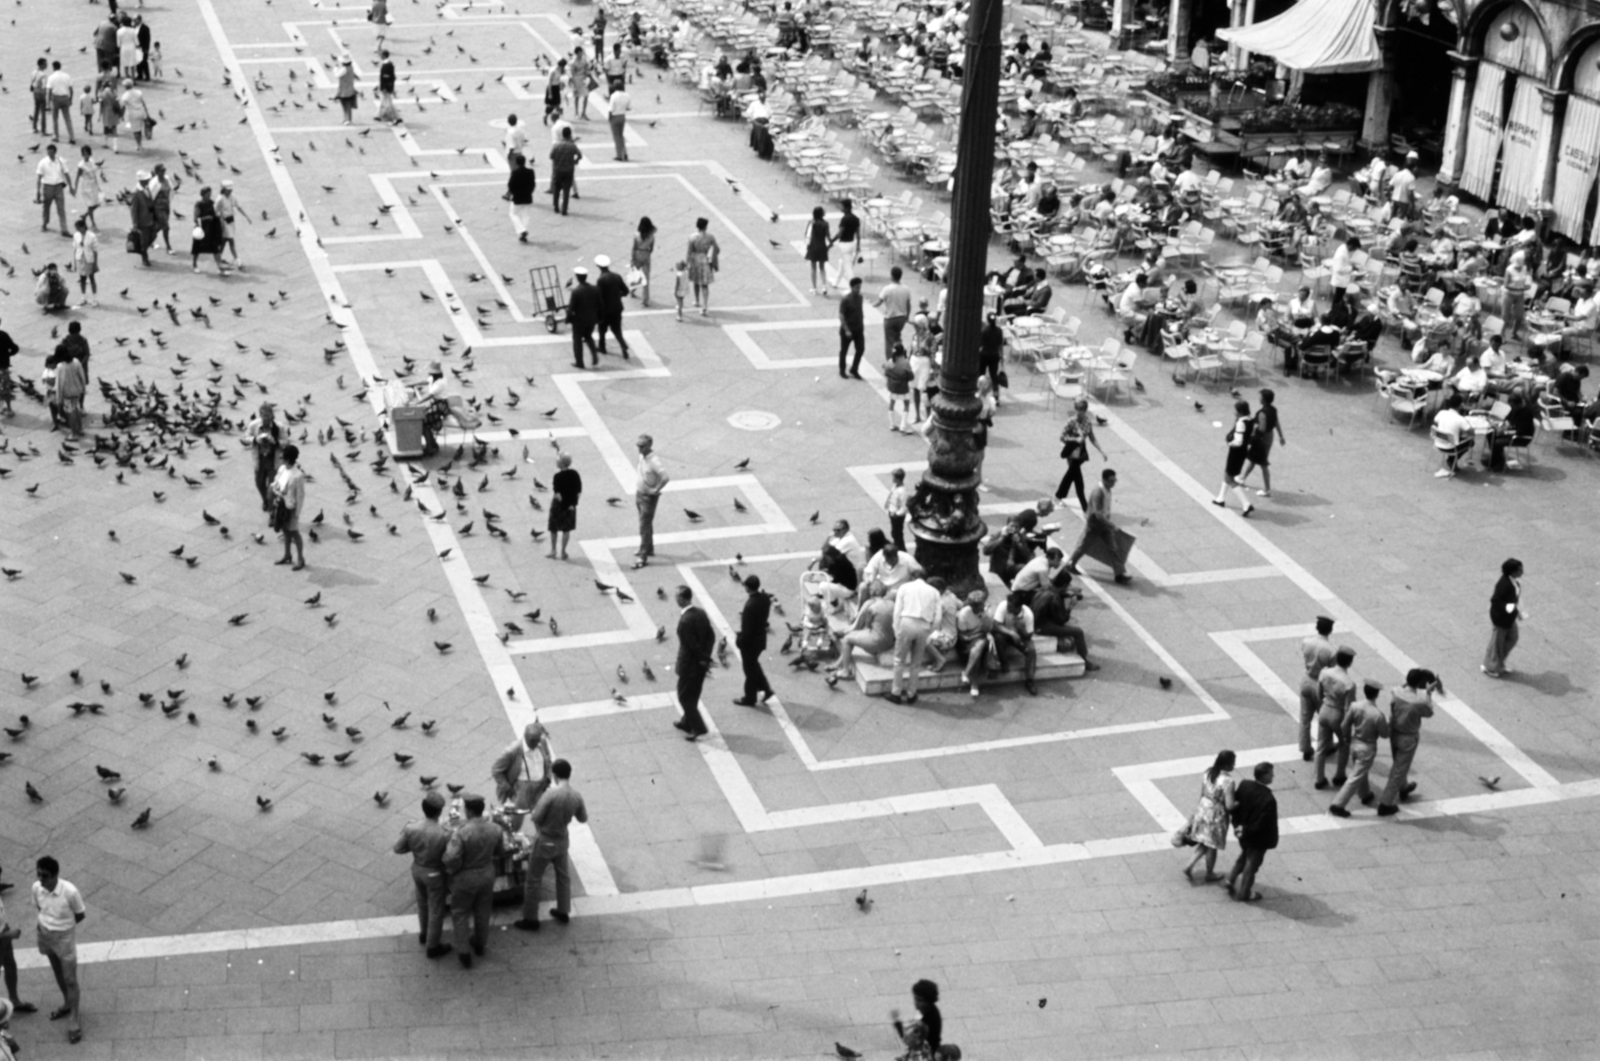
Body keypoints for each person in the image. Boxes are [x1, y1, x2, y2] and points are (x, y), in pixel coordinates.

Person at [514, 759, 588, 931]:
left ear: (554, 775)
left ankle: (531, 918)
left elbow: (536, 817)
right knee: (563, 877)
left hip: (545, 841)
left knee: (533, 879)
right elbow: (583, 818)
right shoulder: (576, 796)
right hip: (562, 841)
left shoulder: (550, 795)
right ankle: (563, 910)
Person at [441, 795, 503, 968]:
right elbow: (500, 851)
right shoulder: (495, 828)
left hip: (465, 878)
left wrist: (454, 868)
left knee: (460, 912)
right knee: (483, 911)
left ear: (468, 811)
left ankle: (463, 952)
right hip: (487, 875)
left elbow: (450, 857)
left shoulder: (462, 832)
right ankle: (480, 944)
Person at [393, 792, 453, 959]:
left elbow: (398, 848)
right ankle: (433, 945)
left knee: (422, 903)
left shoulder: (411, 827)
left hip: (417, 869)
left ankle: (424, 933)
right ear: (439, 812)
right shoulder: (443, 832)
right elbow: (449, 856)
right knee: (436, 909)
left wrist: (414, 849)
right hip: (434, 873)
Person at [1377, 668, 1438, 815]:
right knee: (1399, 770)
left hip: (1394, 733)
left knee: (1398, 763)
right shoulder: (1419, 702)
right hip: (1408, 738)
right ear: (1419, 683)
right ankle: (1385, 803)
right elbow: (1429, 712)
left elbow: (1401, 687)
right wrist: (1428, 692)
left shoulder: (1397, 691)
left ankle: (1403, 788)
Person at [1329, 681, 1390, 816]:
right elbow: (1385, 734)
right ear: (1377, 694)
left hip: (1354, 743)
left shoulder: (1355, 706)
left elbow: (1345, 725)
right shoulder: (1378, 714)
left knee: (1361, 771)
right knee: (1356, 776)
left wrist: (1344, 739)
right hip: (1367, 747)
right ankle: (1338, 804)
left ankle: (1365, 794)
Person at [1065, 468, 1131, 584]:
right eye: (1111, 481)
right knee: (1083, 546)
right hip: (1095, 526)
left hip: (1104, 526)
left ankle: (1119, 574)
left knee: (1113, 548)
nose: (1113, 483)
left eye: (1114, 480)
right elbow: (1098, 514)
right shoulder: (1098, 493)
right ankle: (1071, 564)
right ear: (1104, 480)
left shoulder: (1107, 490)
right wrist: (1112, 525)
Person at [1181, 750, 1236, 882]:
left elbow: (1202, 793)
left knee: (1205, 842)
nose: (1234, 765)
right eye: (1233, 763)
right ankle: (1209, 873)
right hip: (1216, 815)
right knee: (1211, 845)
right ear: (1228, 765)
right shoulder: (1228, 781)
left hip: (1203, 809)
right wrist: (1238, 803)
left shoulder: (1208, 773)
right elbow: (1229, 805)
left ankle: (1189, 865)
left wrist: (1195, 813)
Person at [1225, 763, 1277, 901]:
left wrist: (1238, 827)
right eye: (1271, 773)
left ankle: (1230, 880)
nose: (1273, 775)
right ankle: (1244, 893)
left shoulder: (1244, 785)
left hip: (1242, 834)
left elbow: (1235, 806)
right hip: (1257, 838)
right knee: (1251, 865)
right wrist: (1246, 830)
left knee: (1244, 856)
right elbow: (1262, 824)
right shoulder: (1268, 799)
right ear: (1264, 776)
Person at [828, 581, 895, 685]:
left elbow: (867, 625)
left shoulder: (871, 607)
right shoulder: (892, 604)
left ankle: (845, 671)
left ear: (872, 592)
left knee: (847, 640)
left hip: (876, 642)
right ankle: (838, 664)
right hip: (889, 642)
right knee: (852, 636)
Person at [889, 573, 941, 704]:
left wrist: (896, 630)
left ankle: (896, 692)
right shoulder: (934, 592)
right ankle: (911, 693)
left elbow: (897, 612)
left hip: (906, 623)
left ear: (912, 577)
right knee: (916, 663)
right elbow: (938, 618)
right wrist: (929, 631)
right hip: (924, 625)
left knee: (898, 660)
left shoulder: (904, 587)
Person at [490, 721, 552, 832]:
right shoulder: (512, 750)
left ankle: (542, 842)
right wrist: (507, 788)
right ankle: (509, 842)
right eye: (533, 741)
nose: (536, 743)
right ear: (525, 737)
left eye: (538, 740)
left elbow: (548, 760)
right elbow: (496, 770)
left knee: (543, 818)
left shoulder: (541, 742)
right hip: (521, 789)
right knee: (515, 822)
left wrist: (548, 778)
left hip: (540, 787)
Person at [673, 586, 715, 740]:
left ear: (681, 599)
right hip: (700, 664)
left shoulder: (685, 621)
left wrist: (702, 658)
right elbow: (711, 636)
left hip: (689, 665)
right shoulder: (701, 613)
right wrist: (706, 656)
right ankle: (686, 722)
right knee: (694, 693)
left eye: (676, 597)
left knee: (684, 696)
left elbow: (692, 646)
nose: (675, 599)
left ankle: (698, 727)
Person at [1314, 646, 1357, 790]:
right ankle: (1339, 775)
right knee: (1344, 744)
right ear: (1349, 663)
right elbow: (1348, 707)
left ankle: (1319, 778)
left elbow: (1319, 694)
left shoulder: (1324, 672)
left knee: (1321, 747)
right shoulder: (1349, 683)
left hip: (1324, 709)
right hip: (1338, 714)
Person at [1054, 397, 1105, 511]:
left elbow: (1091, 436)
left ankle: (1058, 496)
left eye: (1081, 409)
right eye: (1077, 409)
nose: (1078, 412)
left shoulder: (1087, 421)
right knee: (1078, 480)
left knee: (1070, 475)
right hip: (1071, 453)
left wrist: (1101, 450)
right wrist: (1074, 439)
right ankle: (1085, 507)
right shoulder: (1071, 421)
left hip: (1081, 453)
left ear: (1085, 410)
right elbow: (1062, 437)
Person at [1297, 616, 1336, 761]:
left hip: (1307, 679)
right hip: (1320, 683)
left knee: (1305, 717)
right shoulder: (1331, 650)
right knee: (1324, 718)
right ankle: (1326, 746)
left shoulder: (1306, 641)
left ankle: (1305, 748)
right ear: (1330, 630)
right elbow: (1332, 672)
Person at [733, 575, 774, 707]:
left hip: (750, 643)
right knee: (754, 666)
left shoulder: (750, 606)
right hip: (760, 638)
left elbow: (747, 630)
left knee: (749, 670)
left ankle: (750, 698)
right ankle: (766, 689)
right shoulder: (765, 598)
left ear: (747, 587)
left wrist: (739, 640)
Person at [1236, 388, 1286, 497]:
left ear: (1264, 399)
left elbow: (1262, 429)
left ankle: (1267, 490)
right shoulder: (1273, 409)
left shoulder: (1262, 413)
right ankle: (1242, 478)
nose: (1259, 398)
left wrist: (1251, 436)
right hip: (1269, 436)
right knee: (1252, 458)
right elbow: (1276, 422)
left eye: (1260, 396)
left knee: (1263, 464)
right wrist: (1281, 436)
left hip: (1261, 440)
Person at [990, 588, 1040, 695]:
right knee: (998, 637)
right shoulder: (1003, 606)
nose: (1007, 607)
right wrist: (1011, 633)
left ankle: (1029, 680)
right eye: (1008, 605)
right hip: (1005, 634)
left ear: (1018, 607)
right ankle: (1004, 662)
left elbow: (1029, 635)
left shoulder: (1028, 615)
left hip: (1020, 637)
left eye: (1010, 606)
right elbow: (996, 625)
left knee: (1031, 650)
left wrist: (1020, 629)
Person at [1212, 399, 1256, 516]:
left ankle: (1246, 504)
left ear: (1240, 411)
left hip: (1236, 452)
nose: (1234, 412)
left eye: (1235, 410)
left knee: (1229, 478)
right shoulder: (1250, 420)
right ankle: (1220, 498)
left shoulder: (1241, 423)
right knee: (1228, 474)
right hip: (1243, 452)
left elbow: (1239, 441)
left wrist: (1229, 443)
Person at [1483, 557, 1523, 678]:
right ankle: (1491, 667)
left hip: (1509, 618)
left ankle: (1496, 662)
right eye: (1520, 570)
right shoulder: (1503, 584)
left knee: (1512, 638)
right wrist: (1509, 607)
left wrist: (1518, 611)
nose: (1522, 572)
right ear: (1513, 572)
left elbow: (1514, 599)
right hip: (1501, 619)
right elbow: (1495, 600)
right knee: (1497, 643)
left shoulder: (1514, 581)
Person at [632, 434, 667, 569]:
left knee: (644, 527)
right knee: (646, 524)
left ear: (649, 446)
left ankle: (643, 556)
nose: (639, 449)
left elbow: (665, 477)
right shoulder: (643, 455)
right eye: (638, 445)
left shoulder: (654, 461)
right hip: (640, 494)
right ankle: (649, 548)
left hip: (647, 497)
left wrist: (655, 490)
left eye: (641, 446)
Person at [271, 443, 307, 570]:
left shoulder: (298, 475)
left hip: (291, 508)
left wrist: (297, 513)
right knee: (285, 530)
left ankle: (301, 559)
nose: (281, 459)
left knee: (294, 533)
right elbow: (275, 482)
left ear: (288, 459)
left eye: (283, 458)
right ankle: (287, 554)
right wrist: (275, 489)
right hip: (281, 505)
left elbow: (301, 496)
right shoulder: (282, 469)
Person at [890, 979, 945, 1061]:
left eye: (919, 1000)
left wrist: (897, 1022)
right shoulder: (933, 1011)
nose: (916, 1002)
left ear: (928, 1001)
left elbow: (907, 1039)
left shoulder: (925, 1023)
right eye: (915, 999)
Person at [542, 453, 581, 560]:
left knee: (553, 528)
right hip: (571, 506)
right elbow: (578, 492)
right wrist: (572, 504)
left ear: (561, 463)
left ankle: (553, 550)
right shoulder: (575, 474)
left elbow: (558, 495)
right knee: (566, 530)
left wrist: (564, 505)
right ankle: (563, 552)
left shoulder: (557, 477)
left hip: (558, 506)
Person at [245, 401, 281, 512]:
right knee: (259, 483)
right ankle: (266, 500)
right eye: (264, 416)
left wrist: (275, 441)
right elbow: (246, 437)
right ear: (260, 415)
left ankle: (271, 509)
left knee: (272, 486)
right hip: (260, 459)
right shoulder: (253, 425)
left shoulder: (278, 427)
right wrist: (255, 439)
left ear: (272, 415)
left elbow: (286, 441)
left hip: (272, 459)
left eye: (268, 416)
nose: (266, 419)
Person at [566, 265, 602, 368]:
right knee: (588, 336)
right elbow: (601, 305)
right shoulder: (595, 289)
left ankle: (579, 362)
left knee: (577, 341)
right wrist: (599, 318)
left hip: (579, 321)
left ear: (577, 278)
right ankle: (594, 354)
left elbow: (571, 308)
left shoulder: (576, 291)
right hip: (591, 320)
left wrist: (568, 319)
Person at [594, 255, 630, 358]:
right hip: (617, 308)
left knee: (602, 329)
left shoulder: (601, 280)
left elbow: (599, 298)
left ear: (598, 266)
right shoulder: (616, 276)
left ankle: (602, 347)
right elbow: (626, 291)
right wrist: (618, 295)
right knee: (617, 329)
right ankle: (623, 345)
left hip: (606, 310)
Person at [686, 217, 721, 315]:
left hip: (695, 260)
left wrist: (687, 263)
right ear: (705, 226)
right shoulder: (710, 237)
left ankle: (697, 301)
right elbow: (717, 249)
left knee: (696, 282)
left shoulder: (692, 237)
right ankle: (704, 305)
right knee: (704, 284)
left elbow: (689, 252)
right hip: (705, 260)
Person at [875, 266, 912, 355]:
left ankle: (891, 361)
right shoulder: (906, 289)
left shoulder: (887, 289)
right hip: (902, 318)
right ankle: (901, 355)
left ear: (891, 276)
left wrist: (871, 304)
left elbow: (879, 302)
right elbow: (908, 305)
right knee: (897, 336)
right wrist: (907, 316)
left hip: (890, 318)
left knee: (889, 341)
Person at [190, 185, 227, 274]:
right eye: (207, 194)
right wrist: (206, 218)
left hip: (211, 229)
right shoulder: (199, 204)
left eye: (210, 194)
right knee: (197, 248)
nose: (209, 195)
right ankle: (194, 264)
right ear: (203, 195)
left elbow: (216, 213)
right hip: (201, 229)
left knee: (215, 248)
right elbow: (195, 219)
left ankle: (220, 267)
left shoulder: (212, 203)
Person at [35, 144, 70, 236]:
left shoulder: (60, 161)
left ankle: (64, 229)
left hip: (58, 187)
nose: (49, 154)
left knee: (61, 209)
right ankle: (44, 223)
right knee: (46, 207)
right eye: (48, 152)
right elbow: (39, 177)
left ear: (55, 152)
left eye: (51, 152)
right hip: (47, 187)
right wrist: (38, 191)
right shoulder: (43, 162)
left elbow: (66, 173)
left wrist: (71, 186)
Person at [549, 127, 582, 215]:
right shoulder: (572, 146)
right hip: (569, 170)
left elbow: (551, 156)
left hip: (558, 170)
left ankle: (556, 206)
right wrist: (575, 161)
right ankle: (564, 209)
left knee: (556, 188)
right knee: (566, 190)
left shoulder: (557, 145)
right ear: (570, 135)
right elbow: (580, 155)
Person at [838, 276, 866, 378]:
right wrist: (846, 330)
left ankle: (854, 369)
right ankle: (842, 370)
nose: (858, 290)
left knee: (861, 349)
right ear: (852, 287)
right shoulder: (846, 300)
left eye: (860, 287)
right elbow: (841, 315)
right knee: (844, 351)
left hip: (858, 329)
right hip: (848, 330)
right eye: (857, 287)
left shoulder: (860, 298)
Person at [506, 154, 536, 243]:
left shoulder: (515, 172)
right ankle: (523, 231)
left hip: (517, 197)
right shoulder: (531, 171)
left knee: (513, 214)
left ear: (516, 163)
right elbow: (533, 184)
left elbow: (510, 185)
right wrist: (529, 192)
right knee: (525, 215)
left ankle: (522, 230)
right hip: (527, 196)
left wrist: (514, 193)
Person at [885, 344, 914, 432]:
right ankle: (903, 426)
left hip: (892, 387)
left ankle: (892, 424)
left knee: (892, 403)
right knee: (906, 404)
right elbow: (911, 377)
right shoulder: (905, 363)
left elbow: (886, 373)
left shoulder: (890, 361)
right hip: (903, 387)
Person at [833, 200, 861, 293]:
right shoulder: (856, 219)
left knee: (848, 268)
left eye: (842, 206)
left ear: (847, 208)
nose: (841, 208)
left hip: (844, 244)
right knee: (842, 263)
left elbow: (840, 233)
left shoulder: (845, 219)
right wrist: (858, 246)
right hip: (851, 243)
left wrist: (831, 241)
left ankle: (852, 288)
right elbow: (858, 234)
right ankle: (836, 282)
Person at [71, 218, 99, 307]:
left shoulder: (91, 236)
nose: (78, 230)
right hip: (80, 258)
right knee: (82, 279)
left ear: (83, 227)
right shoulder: (76, 235)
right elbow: (75, 249)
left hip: (89, 259)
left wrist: (95, 264)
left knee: (91, 278)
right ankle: (83, 297)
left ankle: (94, 298)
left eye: (79, 228)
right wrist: (74, 263)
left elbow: (95, 251)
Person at [803, 205, 831, 295]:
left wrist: (807, 245)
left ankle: (814, 288)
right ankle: (824, 286)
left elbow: (807, 234)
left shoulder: (811, 222)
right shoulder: (825, 224)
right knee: (822, 267)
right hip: (822, 246)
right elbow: (828, 237)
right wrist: (830, 244)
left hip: (813, 247)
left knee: (813, 268)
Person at [216, 180, 244, 269]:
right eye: (228, 190)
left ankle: (219, 257)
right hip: (223, 223)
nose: (230, 191)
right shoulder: (220, 199)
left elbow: (238, 206)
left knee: (224, 241)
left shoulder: (232, 196)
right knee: (230, 240)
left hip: (231, 222)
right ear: (223, 189)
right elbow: (215, 211)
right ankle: (237, 259)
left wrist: (246, 216)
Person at [46, 61, 74, 145]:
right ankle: (72, 137)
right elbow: (71, 90)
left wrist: (48, 104)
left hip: (55, 99)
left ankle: (56, 136)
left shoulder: (51, 77)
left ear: (53, 67)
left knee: (55, 118)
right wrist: (70, 99)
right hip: (65, 98)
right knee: (67, 118)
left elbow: (49, 91)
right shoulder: (67, 76)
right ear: (60, 66)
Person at [630, 217, 655, 306]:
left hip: (637, 255)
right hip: (646, 256)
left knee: (635, 275)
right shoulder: (651, 236)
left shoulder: (636, 235)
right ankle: (645, 300)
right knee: (646, 278)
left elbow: (634, 247)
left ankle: (632, 290)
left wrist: (633, 258)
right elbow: (651, 248)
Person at [884, 467, 908, 551]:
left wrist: (896, 514)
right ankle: (897, 546)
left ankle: (901, 549)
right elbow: (891, 496)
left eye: (894, 477)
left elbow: (904, 507)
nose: (892, 479)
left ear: (898, 478)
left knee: (898, 534)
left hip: (897, 516)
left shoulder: (902, 491)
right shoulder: (895, 486)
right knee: (894, 533)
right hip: (892, 513)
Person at [607, 81, 630, 161]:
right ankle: (625, 153)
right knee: (621, 135)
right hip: (622, 116)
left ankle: (619, 155)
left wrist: (609, 119)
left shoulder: (614, 96)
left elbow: (610, 109)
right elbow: (628, 107)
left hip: (615, 116)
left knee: (616, 137)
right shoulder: (627, 95)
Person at [334, 55, 358, 125]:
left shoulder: (344, 69)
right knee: (347, 105)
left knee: (345, 105)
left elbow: (337, 75)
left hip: (344, 90)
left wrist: (335, 69)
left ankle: (347, 119)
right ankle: (346, 118)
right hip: (350, 88)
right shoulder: (351, 67)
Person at [376, 49, 398, 123]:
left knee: (387, 102)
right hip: (388, 86)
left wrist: (385, 87)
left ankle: (393, 117)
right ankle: (379, 115)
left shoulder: (386, 65)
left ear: (384, 56)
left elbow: (386, 77)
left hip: (386, 87)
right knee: (385, 101)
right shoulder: (390, 64)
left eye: (381, 55)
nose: (380, 56)